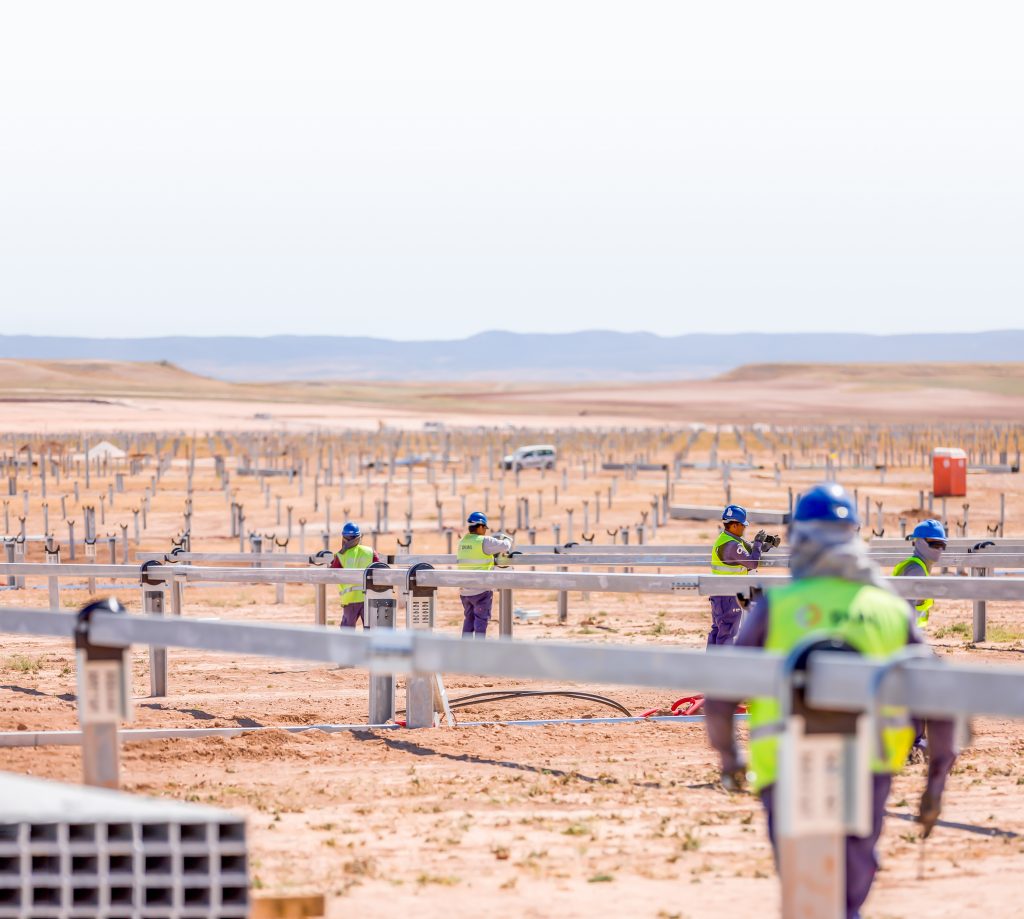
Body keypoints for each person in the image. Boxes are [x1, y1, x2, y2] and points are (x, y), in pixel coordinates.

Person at [704, 484, 957, 919]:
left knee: (803, 883)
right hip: (868, 765)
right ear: (854, 535)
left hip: (784, 761)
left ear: (801, 536)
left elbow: (722, 694)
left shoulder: (778, 608)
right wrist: (935, 783)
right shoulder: (889, 610)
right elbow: (937, 696)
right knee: (851, 885)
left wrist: (730, 758)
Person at [708, 504, 765, 646]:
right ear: (734, 525)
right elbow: (753, 563)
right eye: (742, 525)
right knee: (727, 632)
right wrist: (757, 545)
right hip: (728, 595)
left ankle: (710, 665)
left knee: (717, 630)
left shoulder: (724, 538)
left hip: (718, 593)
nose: (744, 528)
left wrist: (759, 547)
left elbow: (744, 550)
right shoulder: (732, 545)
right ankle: (723, 666)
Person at [457, 511, 512, 638]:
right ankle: (479, 651)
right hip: (481, 591)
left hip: (465, 591)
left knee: (469, 620)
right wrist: (507, 539)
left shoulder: (462, 542)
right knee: (481, 622)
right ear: (480, 526)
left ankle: (465, 650)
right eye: (485, 528)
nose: (485, 531)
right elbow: (505, 546)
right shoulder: (484, 541)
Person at [893, 519, 947, 627]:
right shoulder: (916, 570)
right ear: (917, 542)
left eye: (942, 545)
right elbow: (907, 613)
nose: (939, 549)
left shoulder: (920, 566)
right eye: (935, 544)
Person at [330, 522, 380, 628]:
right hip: (369, 597)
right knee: (371, 630)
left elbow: (332, 574)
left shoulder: (341, 555)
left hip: (350, 599)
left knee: (347, 632)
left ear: (343, 538)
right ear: (359, 537)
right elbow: (380, 570)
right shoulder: (370, 552)